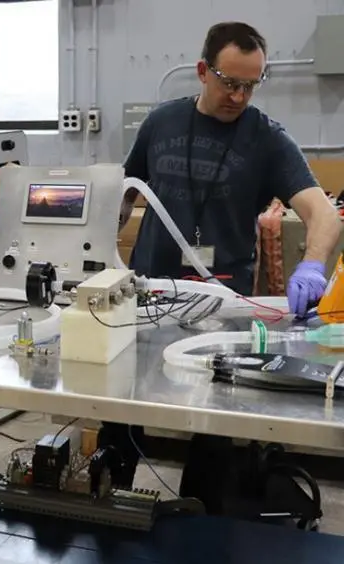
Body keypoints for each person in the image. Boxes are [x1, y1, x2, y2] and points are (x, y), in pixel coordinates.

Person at [108, 22, 342, 510]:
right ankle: (106, 497)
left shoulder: (267, 139)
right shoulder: (161, 123)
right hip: (147, 292)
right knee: (120, 400)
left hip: (223, 302)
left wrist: (312, 266)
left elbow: (322, 213)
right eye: (229, 82)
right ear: (202, 71)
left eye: (251, 85)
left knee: (213, 416)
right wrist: (99, 235)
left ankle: (201, 518)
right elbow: (126, 193)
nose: (239, 96)